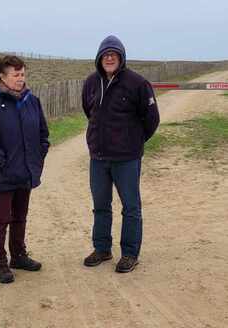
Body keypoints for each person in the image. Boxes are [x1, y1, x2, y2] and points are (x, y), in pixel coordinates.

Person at [81, 35, 160, 273]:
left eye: (114, 54)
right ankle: (102, 249)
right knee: (101, 205)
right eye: (105, 55)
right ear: (99, 58)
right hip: (99, 158)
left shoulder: (137, 83)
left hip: (126, 158)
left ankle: (129, 254)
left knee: (131, 207)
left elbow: (151, 119)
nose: (109, 58)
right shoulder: (91, 83)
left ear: (121, 58)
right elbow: (89, 111)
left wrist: (132, 141)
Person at [0, 55, 50, 283]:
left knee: (20, 217)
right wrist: (2, 161)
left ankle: (18, 255)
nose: (20, 78)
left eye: (23, 74)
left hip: (26, 172)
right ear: (2, 77)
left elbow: (43, 134)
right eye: (16, 75)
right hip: (4, 174)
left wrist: (39, 155)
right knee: (1, 219)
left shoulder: (32, 102)